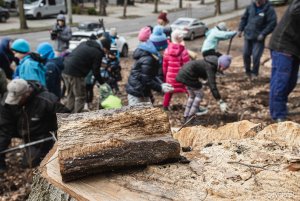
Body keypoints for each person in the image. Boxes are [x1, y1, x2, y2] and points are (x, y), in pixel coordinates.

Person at [0, 79, 70, 173]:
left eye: (17, 99)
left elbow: (67, 117)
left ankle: (47, 148)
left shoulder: (46, 100)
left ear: (27, 93)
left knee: (29, 163)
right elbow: (5, 128)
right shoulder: (8, 101)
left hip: (39, 135)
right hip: (18, 128)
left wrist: (59, 134)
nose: (14, 102)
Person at [268, 0, 300, 122]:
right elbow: (294, 12)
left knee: (291, 82)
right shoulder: (297, 7)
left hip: (294, 49)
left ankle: (279, 108)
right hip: (283, 46)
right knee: (281, 82)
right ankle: (278, 115)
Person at [126, 25, 174, 106]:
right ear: (159, 47)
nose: (164, 51)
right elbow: (147, 79)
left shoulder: (152, 55)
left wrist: (161, 83)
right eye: (163, 49)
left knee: (147, 111)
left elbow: (150, 75)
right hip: (136, 91)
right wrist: (160, 88)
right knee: (136, 115)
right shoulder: (149, 59)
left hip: (142, 90)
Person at [62, 35, 111, 113]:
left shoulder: (85, 43)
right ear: (104, 47)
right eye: (106, 50)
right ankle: (76, 118)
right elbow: (95, 71)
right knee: (80, 97)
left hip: (64, 69)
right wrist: (102, 83)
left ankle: (67, 115)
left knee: (71, 95)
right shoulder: (97, 52)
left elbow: (82, 57)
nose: (105, 53)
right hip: (76, 73)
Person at [176, 55, 232, 122]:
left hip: (183, 73)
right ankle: (190, 118)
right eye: (224, 68)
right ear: (221, 65)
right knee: (199, 95)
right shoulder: (211, 66)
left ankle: (186, 116)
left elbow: (203, 73)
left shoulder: (211, 62)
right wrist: (220, 100)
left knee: (192, 96)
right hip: (188, 76)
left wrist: (205, 81)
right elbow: (212, 84)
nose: (223, 70)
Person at [238, 0, 276, 78]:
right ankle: (247, 71)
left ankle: (255, 73)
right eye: (256, 1)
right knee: (245, 54)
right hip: (248, 35)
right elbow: (244, 18)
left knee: (256, 56)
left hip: (259, 38)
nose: (257, 3)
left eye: (259, 1)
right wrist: (240, 29)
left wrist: (263, 33)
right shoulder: (250, 7)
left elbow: (272, 23)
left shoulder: (269, 9)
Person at [162, 30, 190, 111]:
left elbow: (164, 66)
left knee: (168, 91)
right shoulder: (184, 51)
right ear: (181, 39)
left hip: (170, 78)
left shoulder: (167, 50)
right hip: (181, 78)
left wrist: (165, 76)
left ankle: (165, 106)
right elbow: (187, 66)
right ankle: (193, 105)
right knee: (189, 90)